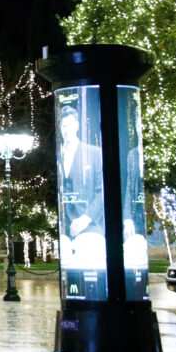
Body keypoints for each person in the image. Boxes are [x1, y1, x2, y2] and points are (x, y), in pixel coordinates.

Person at [57, 104, 106, 269]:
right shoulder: (58, 157)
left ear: (77, 125)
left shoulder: (94, 153)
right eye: (64, 125)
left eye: (70, 124)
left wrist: (87, 218)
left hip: (90, 225)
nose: (67, 129)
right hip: (65, 228)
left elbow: (102, 192)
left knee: (87, 262)